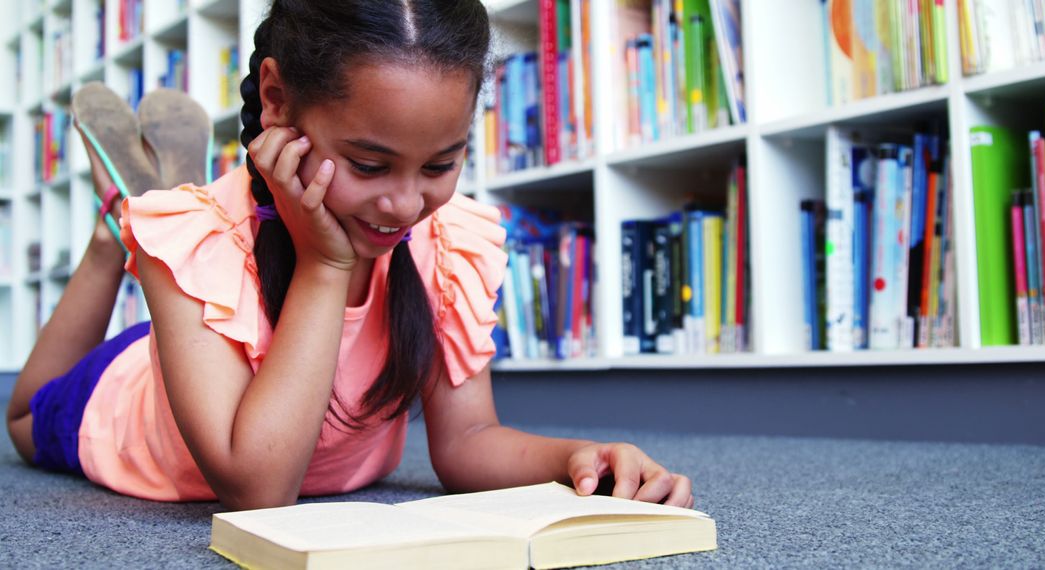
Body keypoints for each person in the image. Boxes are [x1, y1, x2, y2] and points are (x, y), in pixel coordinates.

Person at [6, 0, 694, 511]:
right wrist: (326, 265)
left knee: (200, 293)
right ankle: (122, 225)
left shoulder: (445, 241)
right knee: (26, 422)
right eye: (369, 165)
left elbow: (466, 440)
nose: (403, 206)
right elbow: (257, 486)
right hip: (135, 395)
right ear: (276, 100)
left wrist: (576, 458)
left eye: (440, 165)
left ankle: (141, 213)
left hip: (217, 336)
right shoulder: (200, 241)